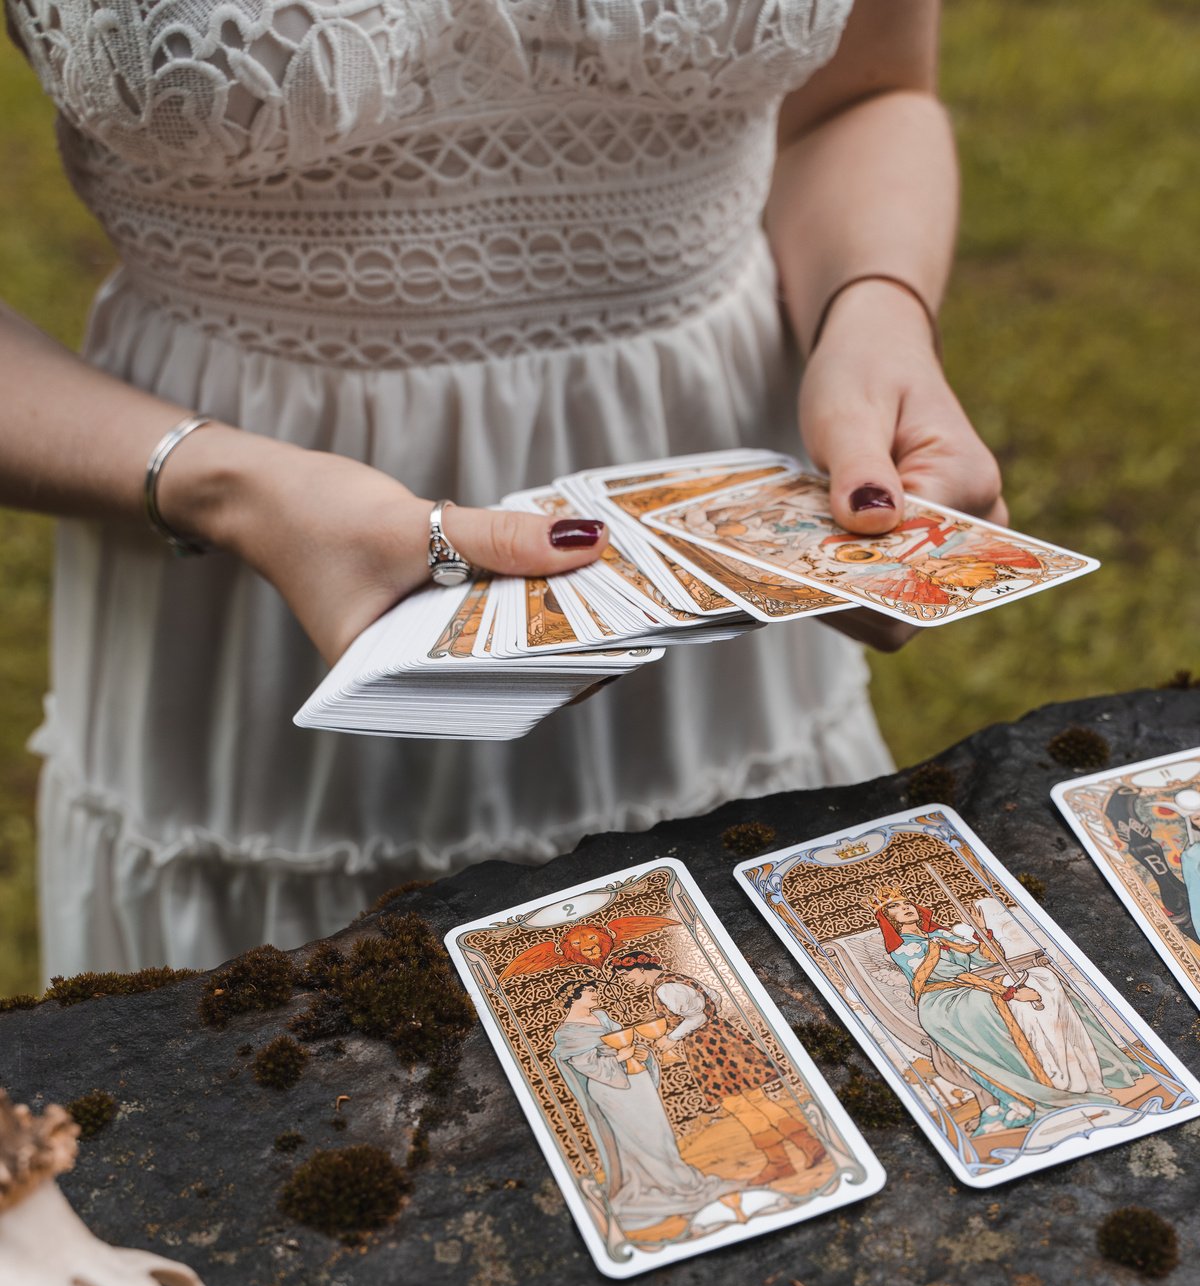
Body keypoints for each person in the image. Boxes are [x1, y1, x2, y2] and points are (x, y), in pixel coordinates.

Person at [1, 0, 1006, 980]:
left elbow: (861, 98)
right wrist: (225, 486)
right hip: (249, 579)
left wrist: (875, 309)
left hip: (710, 562)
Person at [875, 896, 1147, 1135]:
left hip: (972, 986)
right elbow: (953, 976)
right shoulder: (902, 948)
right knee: (996, 1002)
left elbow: (987, 962)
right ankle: (1039, 1088)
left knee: (1044, 978)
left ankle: (1074, 1071)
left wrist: (982, 934)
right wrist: (1009, 993)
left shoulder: (942, 935)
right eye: (896, 908)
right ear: (891, 920)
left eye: (907, 903)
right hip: (943, 1003)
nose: (905, 907)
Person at [550, 981, 758, 1245]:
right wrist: (620, 1058)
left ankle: (680, 1179)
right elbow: (588, 1064)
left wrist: (638, 1052)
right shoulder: (568, 1034)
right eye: (590, 992)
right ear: (574, 998)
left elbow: (624, 1042)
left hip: (636, 1079)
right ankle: (658, 1187)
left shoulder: (601, 1017)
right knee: (637, 1137)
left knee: (659, 1131)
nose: (596, 994)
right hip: (610, 1087)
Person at [608, 949, 828, 1180]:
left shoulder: (665, 988)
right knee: (754, 1099)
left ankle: (786, 1159)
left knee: (738, 1104)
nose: (626, 979)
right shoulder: (677, 979)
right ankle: (801, 1149)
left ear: (641, 969)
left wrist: (670, 1038)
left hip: (708, 1047)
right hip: (722, 1038)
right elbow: (715, 998)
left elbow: (697, 1017)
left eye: (625, 974)